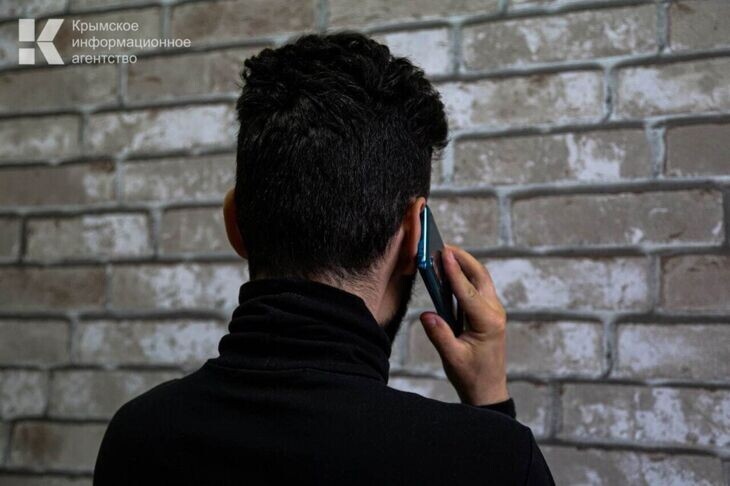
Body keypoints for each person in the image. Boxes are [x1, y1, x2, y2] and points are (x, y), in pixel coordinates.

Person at [93, 31, 555, 485]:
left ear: (236, 224)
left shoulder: (136, 437)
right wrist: (491, 404)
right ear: (415, 235)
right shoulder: (490, 460)